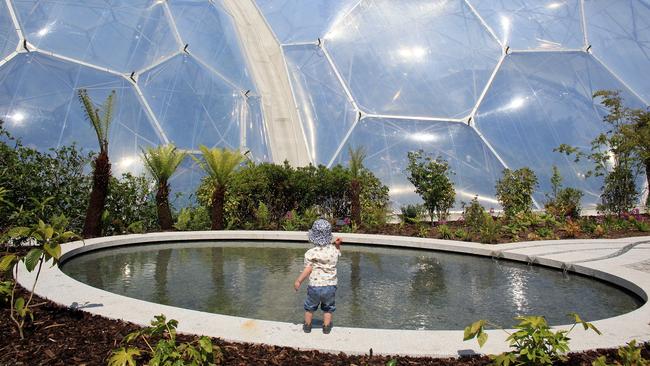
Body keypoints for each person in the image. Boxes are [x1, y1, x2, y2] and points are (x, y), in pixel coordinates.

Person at [294, 219, 342, 334]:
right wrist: (337, 245)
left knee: (309, 307)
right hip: (330, 286)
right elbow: (338, 254)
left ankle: (307, 326)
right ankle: (326, 327)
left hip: (315, 286)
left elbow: (308, 269)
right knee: (328, 308)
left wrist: (298, 281)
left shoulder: (311, 253)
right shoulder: (333, 251)